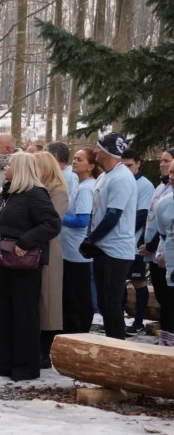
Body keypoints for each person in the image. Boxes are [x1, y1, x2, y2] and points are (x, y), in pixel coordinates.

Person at [0, 152, 61, 381]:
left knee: (24, 314)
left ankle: (25, 365)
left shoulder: (35, 194)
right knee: (4, 313)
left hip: (23, 265)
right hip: (1, 261)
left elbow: (52, 224)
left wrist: (26, 241)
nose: (5, 167)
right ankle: (7, 361)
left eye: (10, 164)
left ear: (21, 168)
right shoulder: (7, 194)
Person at [83, 133, 138, 340]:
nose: (95, 151)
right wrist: (91, 237)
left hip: (117, 249)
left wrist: (92, 239)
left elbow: (113, 215)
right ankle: (110, 344)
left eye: (98, 148)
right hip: (102, 246)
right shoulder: (105, 175)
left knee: (112, 301)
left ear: (107, 152)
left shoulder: (122, 178)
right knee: (105, 303)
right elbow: (97, 212)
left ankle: (118, 345)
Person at [33, 151, 69, 365]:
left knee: (49, 299)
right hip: (35, 248)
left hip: (49, 249)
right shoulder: (39, 190)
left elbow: (52, 222)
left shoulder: (58, 191)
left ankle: (44, 351)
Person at [61, 146, 100, 334]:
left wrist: (58, 217)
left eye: (80, 159)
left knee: (79, 296)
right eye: (74, 158)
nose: (74, 161)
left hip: (78, 252)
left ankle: (80, 332)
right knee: (71, 295)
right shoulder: (79, 184)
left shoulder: (86, 188)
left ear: (91, 166)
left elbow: (82, 220)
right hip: (69, 250)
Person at [121, 149, 156, 334]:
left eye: (130, 166)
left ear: (138, 163)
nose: (127, 170)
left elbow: (142, 215)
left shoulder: (145, 185)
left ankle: (139, 322)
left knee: (138, 282)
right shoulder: (121, 182)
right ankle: (120, 319)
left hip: (134, 244)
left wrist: (121, 231)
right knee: (119, 283)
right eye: (123, 166)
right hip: (119, 243)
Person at [141, 149, 174, 344]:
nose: (171, 177)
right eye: (171, 172)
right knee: (167, 300)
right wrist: (160, 251)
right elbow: (163, 233)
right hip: (170, 265)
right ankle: (167, 341)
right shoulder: (164, 202)